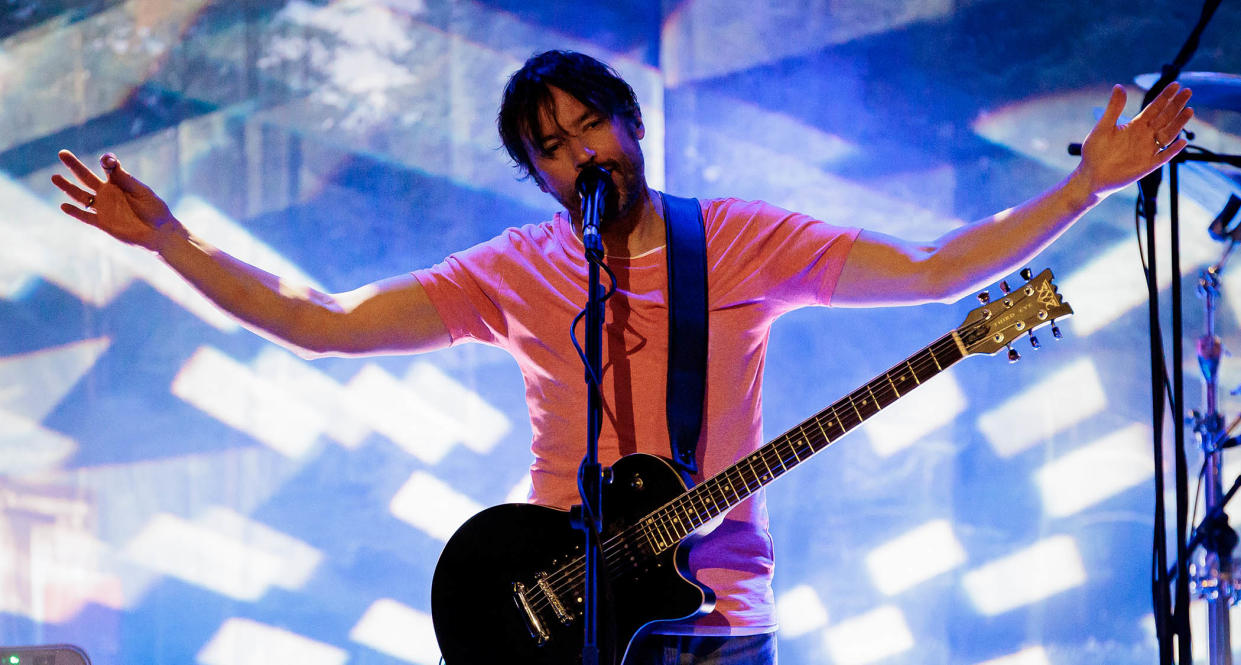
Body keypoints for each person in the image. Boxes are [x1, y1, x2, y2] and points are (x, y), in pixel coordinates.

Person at [52, 50, 1192, 665]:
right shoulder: (512, 269)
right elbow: (320, 319)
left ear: (630, 121)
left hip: (721, 613)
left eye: (586, 125)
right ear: (537, 176)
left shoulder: (739, 240)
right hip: (547, 614)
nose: (576, 152)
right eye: (548, 148)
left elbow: (939, 267)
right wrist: (169, 239)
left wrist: (1086, 183)